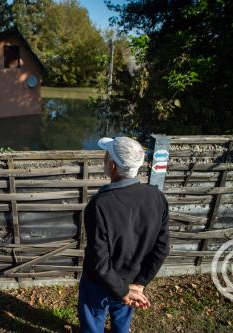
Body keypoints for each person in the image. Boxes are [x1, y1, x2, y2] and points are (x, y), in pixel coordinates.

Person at [77, 136, 170, 333]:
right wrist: (138, 285)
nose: (104, 158)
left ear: (111, 166)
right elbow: (162, 249)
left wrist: (124, 291)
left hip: (98, 284)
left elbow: (99, 260)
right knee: (122, 324)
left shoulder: (100, 205)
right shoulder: (157, 197)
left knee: (93, 324)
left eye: (106, 154)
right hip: (132, 280)